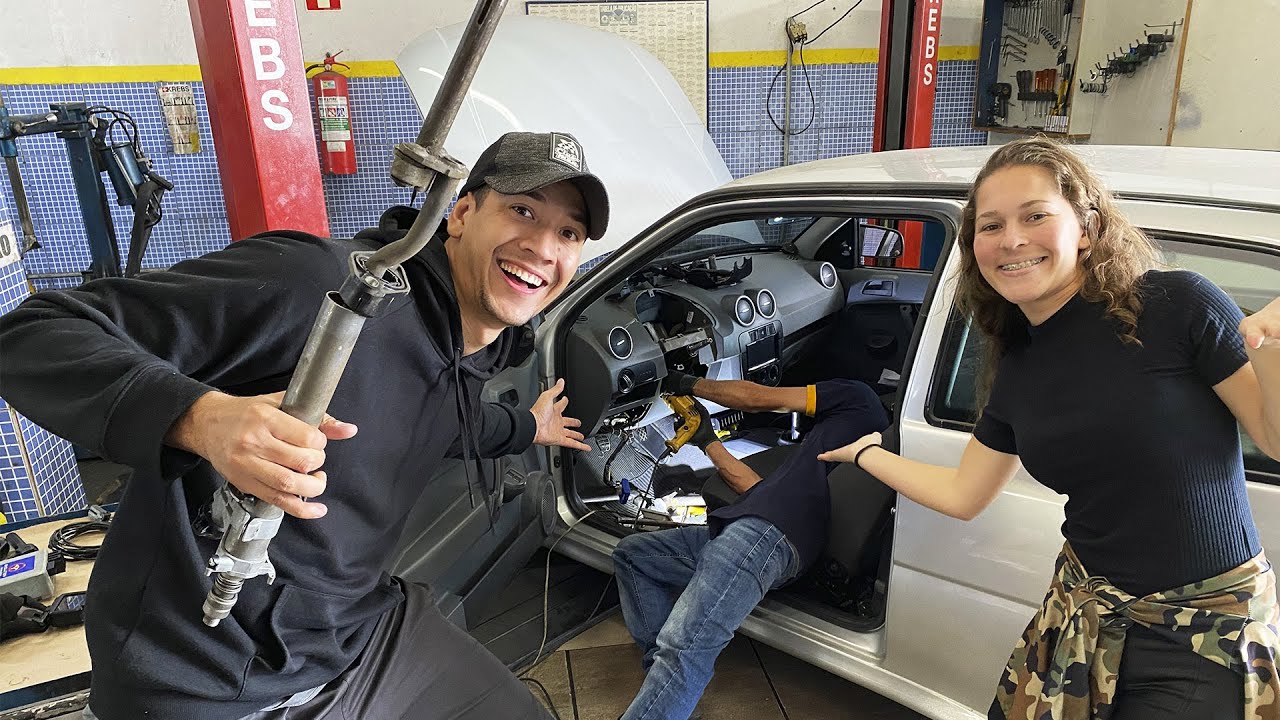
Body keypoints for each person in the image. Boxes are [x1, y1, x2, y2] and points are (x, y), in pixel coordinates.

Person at [0, 131, 610, 720]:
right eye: (522, 211)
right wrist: (199, 417)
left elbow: (446, 421)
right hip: (199, 675)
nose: (542, 247)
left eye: (568, 232)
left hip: (357, 634)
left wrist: (527, 429)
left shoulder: (468, 353)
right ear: (461, 213)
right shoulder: (320, 288)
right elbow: (31, 336)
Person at [817, 137, 1280, 720]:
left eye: (1035, 216)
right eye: (991, 225)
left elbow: (1274, 436)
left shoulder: (1176, 304)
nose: (1011, 239)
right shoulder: (1019, 367)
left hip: (1203, 630)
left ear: (1085, 227)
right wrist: (867, 456)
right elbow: (964, 494)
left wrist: (1271, 347)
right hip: (1082, 612)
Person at [612, 374, 889, 720]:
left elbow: (759, 398)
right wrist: (707, 439)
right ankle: (668, 691)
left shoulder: (858, 396)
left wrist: (686, 381)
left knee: (684, 648)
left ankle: (671, 688)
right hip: (763, 530)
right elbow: (753, 487)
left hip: (765, 532)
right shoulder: (826, 460)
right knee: (634, 557)